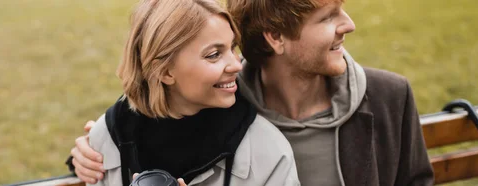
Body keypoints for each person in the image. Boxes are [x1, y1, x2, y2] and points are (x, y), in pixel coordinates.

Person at [71, 0, 435, 185]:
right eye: (327, 17)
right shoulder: (220, 100)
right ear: (275, 37)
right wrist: (87, 153)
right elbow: (149, 119)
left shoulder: (390, 96)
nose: (350, 24)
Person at [69, 0, 300, 185]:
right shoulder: (105, 141)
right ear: (165, 71)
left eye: (232, 47)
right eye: (213, 55)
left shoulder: (269, 152)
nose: (237, 65)